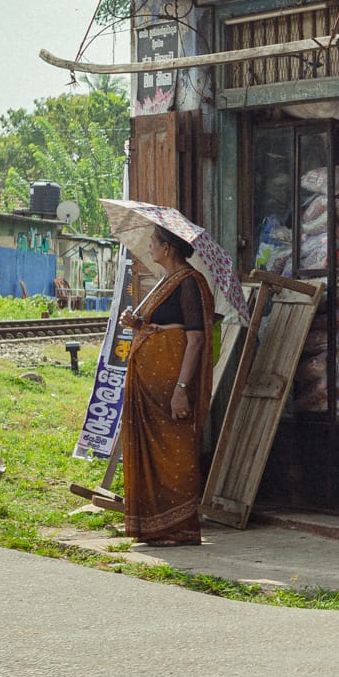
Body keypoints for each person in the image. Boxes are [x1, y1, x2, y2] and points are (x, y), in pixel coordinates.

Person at [118, 225, 214, 546]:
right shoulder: (164, 282)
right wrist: (139, 324)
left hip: (172, 385)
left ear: (168, 248)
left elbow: (196, 338)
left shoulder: (189, 283)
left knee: (175, 453)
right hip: (149, 387)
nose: (149, 247)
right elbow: (160, 325)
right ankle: (155, 526)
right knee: (155, 456)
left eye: (153, 242)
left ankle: (180, 528)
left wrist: (182, 388)